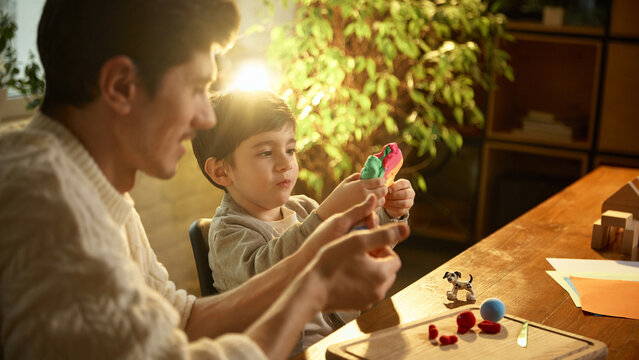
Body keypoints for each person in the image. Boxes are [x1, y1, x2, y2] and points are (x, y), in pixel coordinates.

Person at [0, 1, 410, 360]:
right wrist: (312, 288)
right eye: (197, 87)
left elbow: (184, 320)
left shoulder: (94, 190)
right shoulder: (45, 203)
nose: (206, 118)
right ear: (122, 86)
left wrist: (318, 258)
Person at [191, 90, 415, 352]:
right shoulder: (227, 233)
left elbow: (360, 250)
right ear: (222, 171)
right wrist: (326, 217)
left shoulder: (304, 207)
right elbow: (269, 277)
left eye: (290, 149)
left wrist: (387, 213)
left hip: (340, 340)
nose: (285, 163)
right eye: (265, 152)